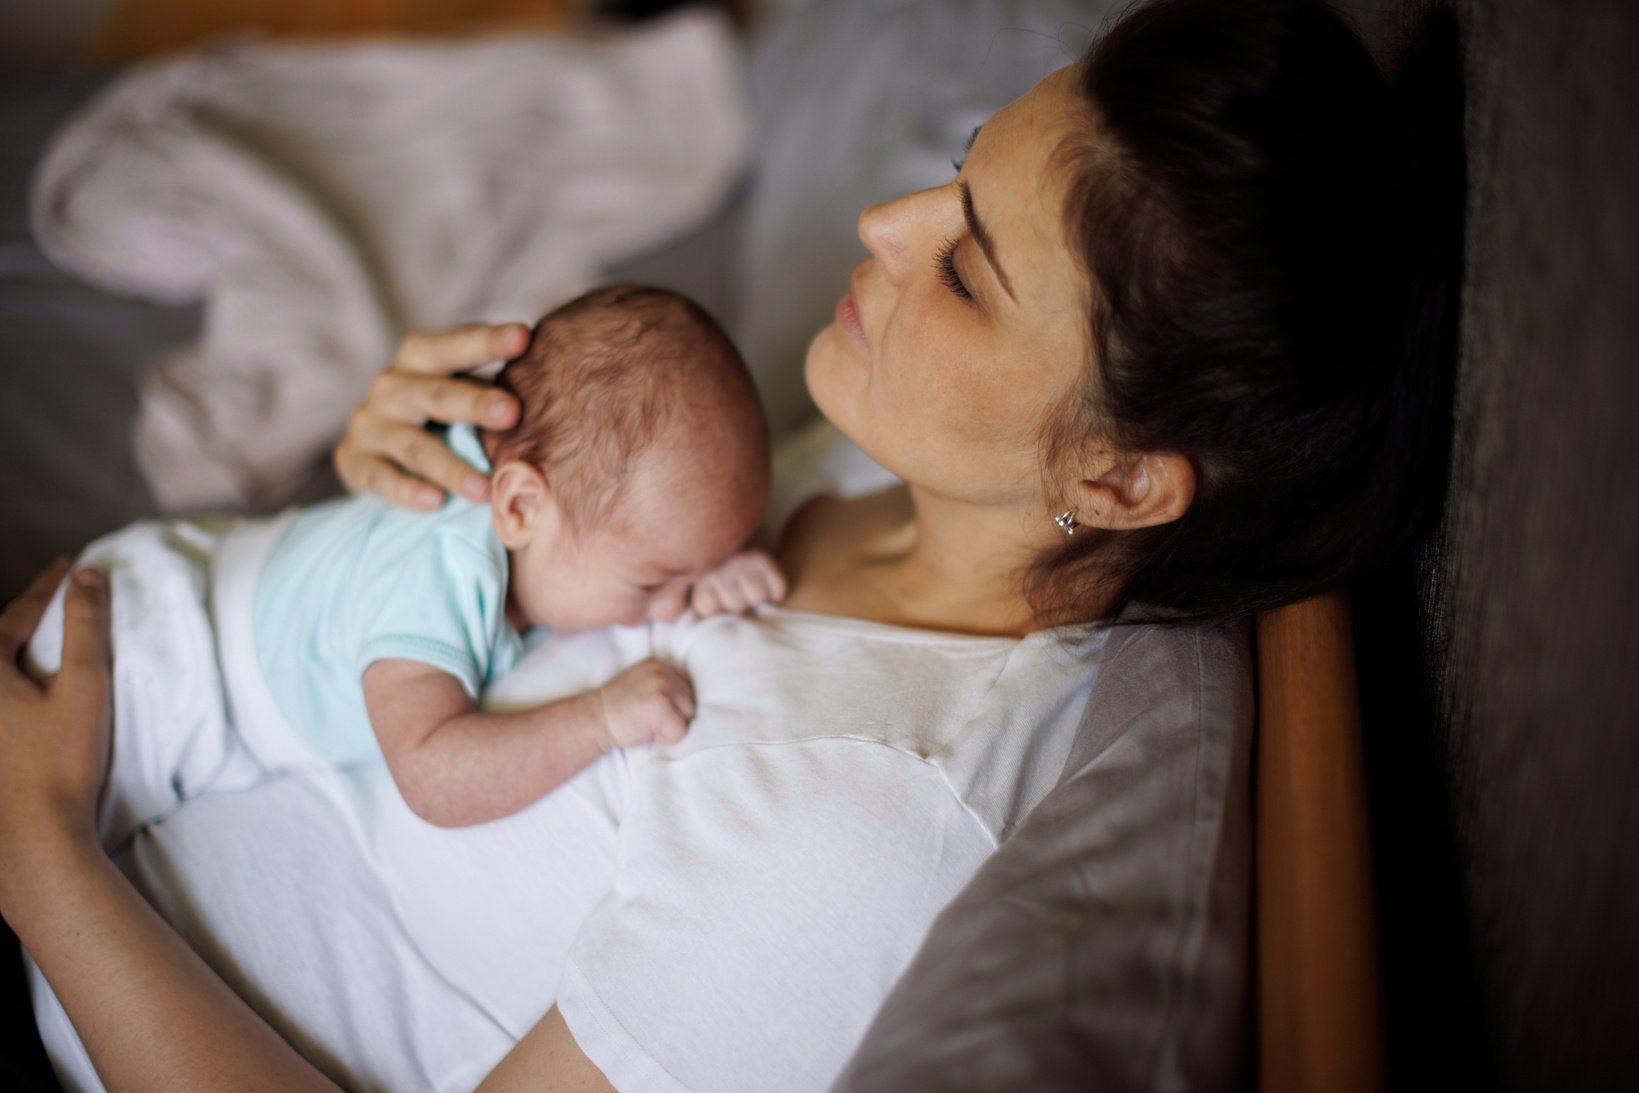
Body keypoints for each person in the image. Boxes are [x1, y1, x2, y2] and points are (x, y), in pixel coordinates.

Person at [0, 1, 1457, 1088]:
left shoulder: (851, 836)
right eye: (954, 170)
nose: (885, 226)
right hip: (145, 782)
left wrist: (40, 849)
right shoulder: (864, 479)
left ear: (1123, 476)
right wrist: (423, 474)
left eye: (963, 268)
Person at [26, 284, 784, 834]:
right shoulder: (442, 573)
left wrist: (712, 566)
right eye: (656, 580)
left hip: (185, 578)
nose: (671, 604)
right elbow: (433, 775)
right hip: (157, 673)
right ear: (520, 507)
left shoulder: (553, 506)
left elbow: (657, 525)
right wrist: (598, 716)